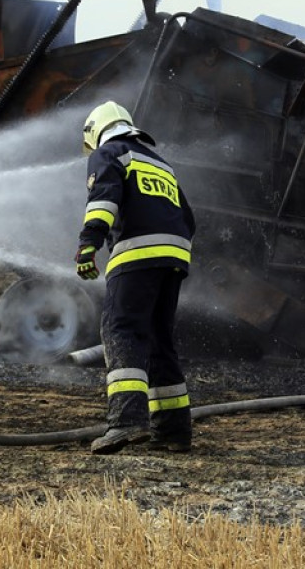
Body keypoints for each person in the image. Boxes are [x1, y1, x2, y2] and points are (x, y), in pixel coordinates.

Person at [74, 100, 196, 454]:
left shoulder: (109, 153)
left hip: (137, 254)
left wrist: (88, 244)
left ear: (97, 131)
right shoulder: (161, 163)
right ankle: (174, 431)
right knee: (159, 339)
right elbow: (188, 218)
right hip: (174, 257)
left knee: (121, 329)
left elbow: (103, 199)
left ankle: (126, 422)